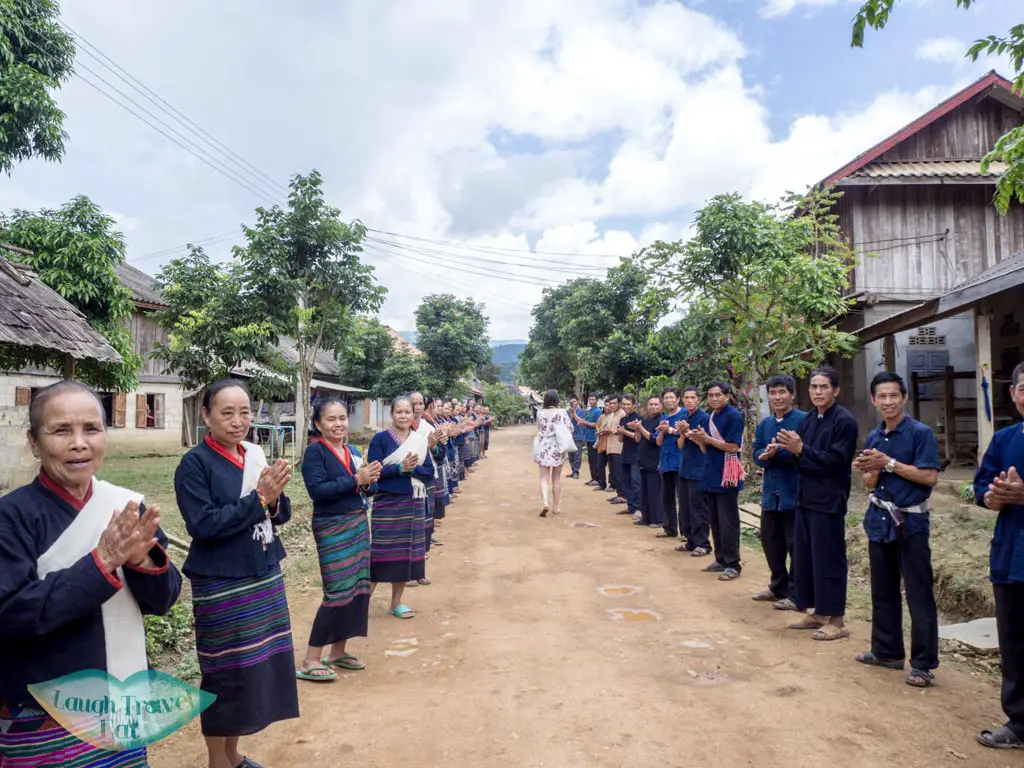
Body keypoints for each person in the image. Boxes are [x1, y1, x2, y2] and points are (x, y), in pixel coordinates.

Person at [0, 381, 182, 768]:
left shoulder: (126, 506)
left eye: (91, 429)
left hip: (123, 701)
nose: (79, 443)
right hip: (42, 713)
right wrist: (101, 562)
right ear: (34, 442)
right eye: (61, 431)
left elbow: (164, 599)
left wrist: (142, 562)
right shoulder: (11, 517)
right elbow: (11, 614)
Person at [174, 378, 298, 768]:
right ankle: (217, 760)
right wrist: (259, 498)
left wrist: (273, 500)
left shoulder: (254, 453)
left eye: (244, 412)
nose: (237, 421)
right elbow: (203, 524)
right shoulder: (194, 464)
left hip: (262, 572)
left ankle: (233, 754)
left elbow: (282, 512)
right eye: (226, 413)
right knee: (225, 672)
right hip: (222, 583)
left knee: (254, 668)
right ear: (206, 415)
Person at [851, 371, 941, 688]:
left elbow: (930, 477)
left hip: (911, 522)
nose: (888, 401)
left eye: (893, 395)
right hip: (880, 519)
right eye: (882, 396)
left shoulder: (920, 434)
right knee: (883, 589)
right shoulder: (874, 437)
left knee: (918, 593)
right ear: (874, 400)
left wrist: (889, 464)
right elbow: (868, 482)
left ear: (904, 398)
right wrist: (870, 470)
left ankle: (922, 663)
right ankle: (886, 652)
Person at [297, 398, 381, 683]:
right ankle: (311, 659)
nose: (338, 424)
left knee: (358, 588)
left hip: (358, 523)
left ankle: (338, 651)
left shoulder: (353, 451)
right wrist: (356, 479)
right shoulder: (314, 453)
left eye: (342, 418)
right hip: (332, 526)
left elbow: (365, 489)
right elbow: (318, 491)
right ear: (318, 424)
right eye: (331, 419)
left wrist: (369, 480)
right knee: (337, 590)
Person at [776, 366, 859, 642]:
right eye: (814, 387)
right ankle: (816, 611)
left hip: (829, 500)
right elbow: (801, 457)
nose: (818, 392)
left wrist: (801, 450)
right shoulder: (809, 420)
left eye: (824, 387)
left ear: (835, 390)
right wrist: (789, 450)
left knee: (829, 559)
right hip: (805, 498)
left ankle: (836, 619)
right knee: (806, 557)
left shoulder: (844, 421)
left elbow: (836, 462)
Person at [973, 360, 1024, 749]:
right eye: (1023, 388)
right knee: (1013, 639)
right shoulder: (1005, 439)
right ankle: (1019, 721)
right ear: (1013, 394)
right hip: (1011, 554)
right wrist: (993, 497)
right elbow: (981, 486)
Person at [367, 396, 433, 619]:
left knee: (405, 555)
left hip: (412, 503)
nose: (404, 416)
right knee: (380, 553)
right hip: (387, 503)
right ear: (391, 414)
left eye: (407, 412)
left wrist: (411, 470)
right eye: (399, 412)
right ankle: (361, 604)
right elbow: (373, 472)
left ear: (413, 414)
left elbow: (429, 473)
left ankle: (396, 603)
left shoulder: (420, 441)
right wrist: (399, 469)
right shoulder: (380, 440)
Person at [752, 374, 806, 608]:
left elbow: (808, 454)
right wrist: (764, 456)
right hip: (770, 494)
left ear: (792, 394)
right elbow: (756, 452)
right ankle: (778, 586)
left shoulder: (804, 421)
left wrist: (783, 452)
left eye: (782, 392)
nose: (777, 397)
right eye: (772, 393)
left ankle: (797, 593)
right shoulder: (765, 424)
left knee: (795, 545)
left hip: (793, 492)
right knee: (770, 541)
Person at [687, 381, 744, 580]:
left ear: (727, 396)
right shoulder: (712, 416)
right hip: (710, 473)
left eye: (717, 395)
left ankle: (733, 563)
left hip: (726, 474)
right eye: (710, 395)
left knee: (728, 521)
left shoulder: (734, 416)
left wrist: (707, 439)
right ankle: (720, 558)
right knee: (715, 520)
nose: (713, 399)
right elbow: (707, 449)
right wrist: (699, 440)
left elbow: (733, 447)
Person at [675, 386, 711, 556]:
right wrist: (682, 433)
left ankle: (703, 543)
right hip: (685, 467)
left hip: (699, 468)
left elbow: (705, 445)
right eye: (686, 397)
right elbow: (680, 445)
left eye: (692, 397)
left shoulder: (704, 418)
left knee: (698, 507)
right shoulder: (683, 417)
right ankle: (690, 540)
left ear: (699, 399)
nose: (689, 400)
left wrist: (688, 432)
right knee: (685, 507)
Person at [655, 387, 687, 541]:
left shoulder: (685, 415)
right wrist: (662, 430)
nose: (668, 400)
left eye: (671, 397)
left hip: (681, 461)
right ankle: (669, 527)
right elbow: (658, 442)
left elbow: (687, 435)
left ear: (678, 399)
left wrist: (671, 429)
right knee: (666, 496)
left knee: (683, 497)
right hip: (665, 462)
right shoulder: (664, 418)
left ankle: (686, 531)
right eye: (666, 398)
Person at [534, 389, 573, 517]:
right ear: (557, 400)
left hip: (544, 446)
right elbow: (570, 428)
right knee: (556, 478)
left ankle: (545, 503)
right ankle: (555, 507)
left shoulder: (540, 413)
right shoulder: (562, 412)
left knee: (543, 478)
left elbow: (539, 429)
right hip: (558, 447)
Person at [635, 395, 666, 528]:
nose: (653, 407)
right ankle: (646, 517)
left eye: (655, 404)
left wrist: (640, 428)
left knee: (655, 491)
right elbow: (638, 439)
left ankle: (658, 519)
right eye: (651, 404)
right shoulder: (646, 421)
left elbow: (654, 440)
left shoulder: (662, 421)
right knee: (645, 491)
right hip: (643, 459)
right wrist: (637, 429)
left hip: (655, 460)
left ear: (661, 406)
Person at [617, 395, 643, 520]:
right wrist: (620, 433)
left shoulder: (638, 418)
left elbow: (638, 438)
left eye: (628, 404)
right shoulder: (623, 419)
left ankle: (639, 508)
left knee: (636, 482)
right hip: (625, 453)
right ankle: (631, 506)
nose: (626, 406)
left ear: (634, 405)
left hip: (636, 454)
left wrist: (625, 432)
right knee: (626, 481)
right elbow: (620, 439)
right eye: (624, 404)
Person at [603, 396, 626, 505]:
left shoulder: (622, 414)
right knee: (614, 473)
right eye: (610, 403)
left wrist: (611, 430)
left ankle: (623, 495)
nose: (612, 405)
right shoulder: (612, 415)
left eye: (614, 403)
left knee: (619, 473)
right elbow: (611, 429)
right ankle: (618, 493)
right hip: (610, 447)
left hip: (619, 448)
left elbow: (622, 431)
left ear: (619, 404)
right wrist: (605, 431)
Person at [581, 393, 603, 486]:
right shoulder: (589, 411)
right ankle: (593, 477)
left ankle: (597, 478)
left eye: (593, 399)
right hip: (589, 437)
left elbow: (597, 424)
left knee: (594, 459)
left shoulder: (598, 411)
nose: (591, 401)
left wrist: (585, 422)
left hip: (594, 438)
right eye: (590, 399)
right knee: (591, 459)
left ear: (596, 401)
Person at [568, 394, 586, 479]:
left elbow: (579, 420)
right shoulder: (568, 412)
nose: (573, 403)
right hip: (569, 436)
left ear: (577, 401)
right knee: (570, 455)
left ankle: (576, 471)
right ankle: (573, 470)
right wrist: (571, 412)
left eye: (574, 401)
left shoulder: (582, 412)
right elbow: (567, 422)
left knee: (577, 454)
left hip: (578, 435)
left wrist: (574, 412)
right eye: (571, 401)